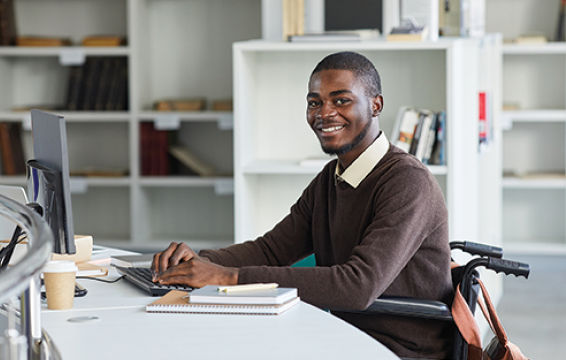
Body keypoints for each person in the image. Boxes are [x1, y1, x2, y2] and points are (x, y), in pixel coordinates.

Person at [151, 51, 453, 358]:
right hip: (341, 336)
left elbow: (357, 285)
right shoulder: (331, 178)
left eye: (341, 100)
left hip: (399, 351)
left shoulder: (407, 182)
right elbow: (271, 250)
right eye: (314, 102)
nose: (324, 113)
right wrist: (201, 262)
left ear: (376, 105)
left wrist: (226, 277)